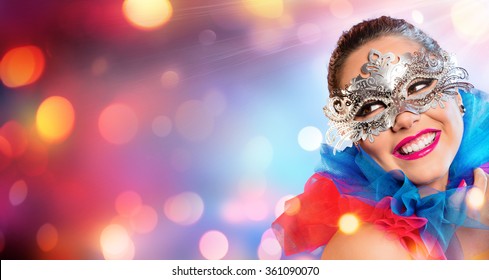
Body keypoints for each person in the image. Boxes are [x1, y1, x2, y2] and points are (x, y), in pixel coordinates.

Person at [272, 16, 489, 260]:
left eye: (418, 86)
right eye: (372, 106)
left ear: (457, 97)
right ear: (356, 139)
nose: (404, 118)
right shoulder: (364, 251)